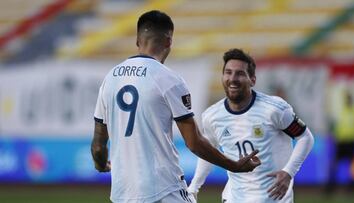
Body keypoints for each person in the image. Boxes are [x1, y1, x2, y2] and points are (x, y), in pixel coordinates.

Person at [91, 11, 260, 203]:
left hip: (122, 194)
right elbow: (194, 142)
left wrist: (101, 164)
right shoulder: (169, 79)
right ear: (169, 42)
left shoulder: (110, 79)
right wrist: (234, 165)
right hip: (164, 190)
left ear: (138, 40)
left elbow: (98, 146)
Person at [188, 48, 314, 203]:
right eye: (228, 72)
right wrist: (193, 187)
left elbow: (305, 137)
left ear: (252, 80)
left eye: (240, 73)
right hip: (234, 198)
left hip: (274, 199)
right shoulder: (211, 116)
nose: (232, 78)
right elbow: (208, 151)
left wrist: (288, 172)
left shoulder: (275, 109)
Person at [326, 89, 354, 194]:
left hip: (351, 142)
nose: (348, 101)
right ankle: (331, 186)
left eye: (349, 99)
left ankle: (352, 186)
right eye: (347, 99)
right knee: (334, 164)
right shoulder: (341, 112)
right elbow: (337, 127)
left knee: (352, 166)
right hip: (341, 142)